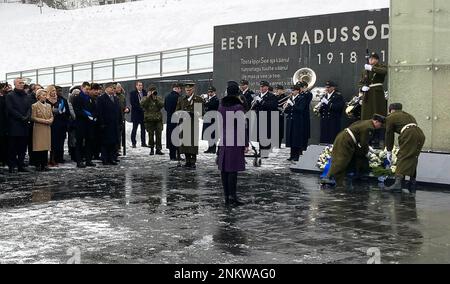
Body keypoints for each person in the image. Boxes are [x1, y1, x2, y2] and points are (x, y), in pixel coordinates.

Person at [325, 114, 386, 188]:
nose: (380, 127)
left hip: (344, 137)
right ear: (376, 121)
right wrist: (366, 151)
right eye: (381, 124)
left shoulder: (365, 122)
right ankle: (328, 178)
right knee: (341, 160)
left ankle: (338, 182)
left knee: (345, 160)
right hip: (346, 141)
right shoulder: (369, 127)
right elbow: (364, 143)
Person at [217, 83, 249, 206]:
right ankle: (232, 197)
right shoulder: (238, 107)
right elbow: (242, 127)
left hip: (224, 139)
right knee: (233, 170)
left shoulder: (221, 106)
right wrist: (245, 143)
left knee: (224, 169)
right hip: (236, 139)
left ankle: (226, 196)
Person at [384, 103, 426, 195]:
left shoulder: (391, 117)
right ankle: (412, 182)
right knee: (413, 156)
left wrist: (389, 150)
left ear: (391, 110)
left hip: (409, 134)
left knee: (402, 155)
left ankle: (397, 184)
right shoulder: (408, 115)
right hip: (420, 134)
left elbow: (389, 134)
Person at [5, 78, 33, 173]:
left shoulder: (27, 96)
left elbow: (30, 108)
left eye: (23, 83)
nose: (22, 84)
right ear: (15, 84)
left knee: (22, 147)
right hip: (14, 125)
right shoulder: (10, 96)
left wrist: (27, 116)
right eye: (20, 83)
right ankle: (12, 166)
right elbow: (10, 109)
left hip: (24, 125)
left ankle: (21, 165)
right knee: (12, 147)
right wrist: (21, 117)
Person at [175, 82, 204, 168]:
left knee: (192, 143)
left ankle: (193, 160)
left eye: (189, 90)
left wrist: (192, 113)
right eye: (186, 90)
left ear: (193, 89)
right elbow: (177, 110)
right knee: (185, 143)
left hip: (193, 124)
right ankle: (187, 160)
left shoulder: (198, 99)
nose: (188, 91)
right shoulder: (181, 99)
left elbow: (201, 112)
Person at [284, 82, 312, 162]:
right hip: (291, 120)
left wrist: (292, 104)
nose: (292, 92)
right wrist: (286, 107)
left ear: (298, 91)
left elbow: (300, 109)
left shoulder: (301, 98)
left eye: (293, 90)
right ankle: (291, 155)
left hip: (298, 121)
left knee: (296, 138)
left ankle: (296, 155)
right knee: (291, 138)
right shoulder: (291, 99)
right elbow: (287, 111)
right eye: (292, 90)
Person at [72, 82, 97, 168]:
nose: (88, 91)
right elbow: (77, 111)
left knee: (89, 142)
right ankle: (79, 161)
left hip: (89, 125)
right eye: (86, 89)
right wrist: (87, 116)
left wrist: (93, 116)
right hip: (81, 124)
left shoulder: (90, 98)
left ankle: (88, 160)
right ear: (82, 88)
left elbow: (94, 108)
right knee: (79, 143)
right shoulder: (78, 98)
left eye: (89, 89)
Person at [96, 82, 122, 166]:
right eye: (111, 88)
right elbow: (99, 112)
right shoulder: (101, 99)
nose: (113, 89)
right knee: (105, 143)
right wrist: (102, 123)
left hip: (114, 124)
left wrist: (120, 122)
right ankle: (105, 159)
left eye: (113, 88)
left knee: (113, 142)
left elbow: (119, 111)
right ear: (106, 88)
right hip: (106, 124)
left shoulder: (116, 98)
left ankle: (112, 158)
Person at [252, 81, 278, 158]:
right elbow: (255, 108)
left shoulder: (271, 96)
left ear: (267, 87)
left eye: (263, 87)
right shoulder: (259, 95)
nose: (261, 88)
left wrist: (261, 101)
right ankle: (261, 150)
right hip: (259, 117)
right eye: (260, 87)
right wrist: (254, 103)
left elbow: (272, 106)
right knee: (260, 135)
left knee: (266, 135)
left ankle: (265, 152)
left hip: (267, 117)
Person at [46, 85, 70, 166]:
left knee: (60, 142)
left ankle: (60, 158)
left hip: (61, 124)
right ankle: (52, 159)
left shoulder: (62, 100)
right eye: (54, 90)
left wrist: (62, 115)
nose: (56, 92)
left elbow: (67, 113)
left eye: (59, 91)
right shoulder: (47, 100)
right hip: (51, 125)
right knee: (52, 143)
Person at [360, 53, 388, 120]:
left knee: (377, 109)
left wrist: (372, 68)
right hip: (367, 92)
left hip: (376, 91)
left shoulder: (381, 66)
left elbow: (384, 71)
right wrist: (362, 87)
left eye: (373, 58)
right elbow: (361, 82)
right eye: (370, 58)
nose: (371, 60)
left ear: (377, 60)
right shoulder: (365, 70)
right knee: (367, 112)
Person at [31, 89, 53, 172]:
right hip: (39, 128)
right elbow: (33, 117)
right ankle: (37, 165)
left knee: (45, 147)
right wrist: (44, 121)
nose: (45, 97)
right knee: (38, 147)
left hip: (47, 128)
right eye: (43, 95)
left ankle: (44, 164)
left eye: (45, 95)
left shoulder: (49, 106)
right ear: (39, 96)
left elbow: (51, 115)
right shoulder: (34, 105)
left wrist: (50, 120)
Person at [141, 85, 164, 156]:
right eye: (151, 91)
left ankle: (158, 149)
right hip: (149, 120)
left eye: (154, 91)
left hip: (158, 119)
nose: (153, 93)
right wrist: (148, 97)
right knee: (150, 135)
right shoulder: (145, 98)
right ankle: (151, 149)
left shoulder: (158, 98)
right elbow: (142, 105)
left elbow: (161, 105)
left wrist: (155, 99)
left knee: (158, 134)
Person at [165, 83, 183, 161]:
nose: (181, 90)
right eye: (180, 89)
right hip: (177, 120)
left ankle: (172, 155)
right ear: (178, 88)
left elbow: (165, 107)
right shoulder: (179, 97)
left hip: (169, 119)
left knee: (170, 137)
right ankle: (177, 155)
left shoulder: (167, 96)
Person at [129, 81, 147, 148]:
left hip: (143, 114)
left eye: (141, 85)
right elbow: (133, 103)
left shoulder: (145, 92)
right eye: (139, 85)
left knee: (143, 129)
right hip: (136, 114)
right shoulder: (133, 93)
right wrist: (141, 108)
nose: (140, 86)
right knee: (134, 129)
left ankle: (143, 143)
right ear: (136, 86)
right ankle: (133, 143)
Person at [202, 86, 220, 154]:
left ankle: (213, 148)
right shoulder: (208, 99)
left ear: (214, 92)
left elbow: (212, 106)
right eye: (209, 92)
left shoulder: (215, 99)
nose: (210, 93)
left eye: (211, 92)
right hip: (208, 117)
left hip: (213, 118)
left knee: (213, 134)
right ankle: (210, 148)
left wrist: (206, 103)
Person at [115, 83, 130, 157]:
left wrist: (127, 109)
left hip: (121, 117)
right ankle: (115, 149)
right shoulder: (113, 96)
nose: (119, 89)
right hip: (115, 118)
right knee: (115, 134)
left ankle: (118, 148)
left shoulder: (122, 96)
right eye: (117, 87)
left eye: (120, 87)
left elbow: (124, 106)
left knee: (119, 134)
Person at [0, 82, 10, 168]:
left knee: (5, 142)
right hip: (1, 122)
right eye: (5, 87)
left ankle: (5, 159)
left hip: (6, 123)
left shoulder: (6, 97)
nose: (7, 89)